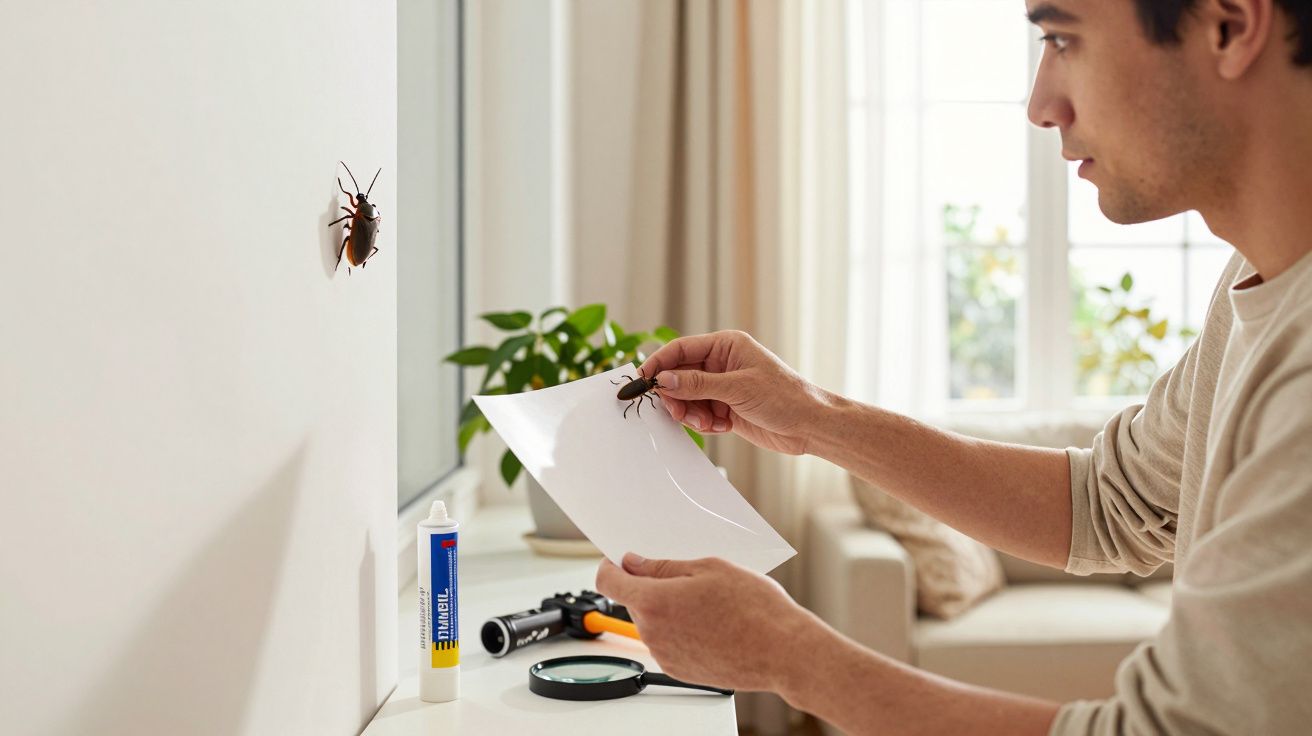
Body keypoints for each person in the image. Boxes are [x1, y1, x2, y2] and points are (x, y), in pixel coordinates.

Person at [594, 0, 1312, 733]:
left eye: (1064, 38)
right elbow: (1113, 502)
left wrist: (786, 655)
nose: (1040, 105)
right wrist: (813, 417)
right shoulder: (1258, 275)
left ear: (1228, 26)